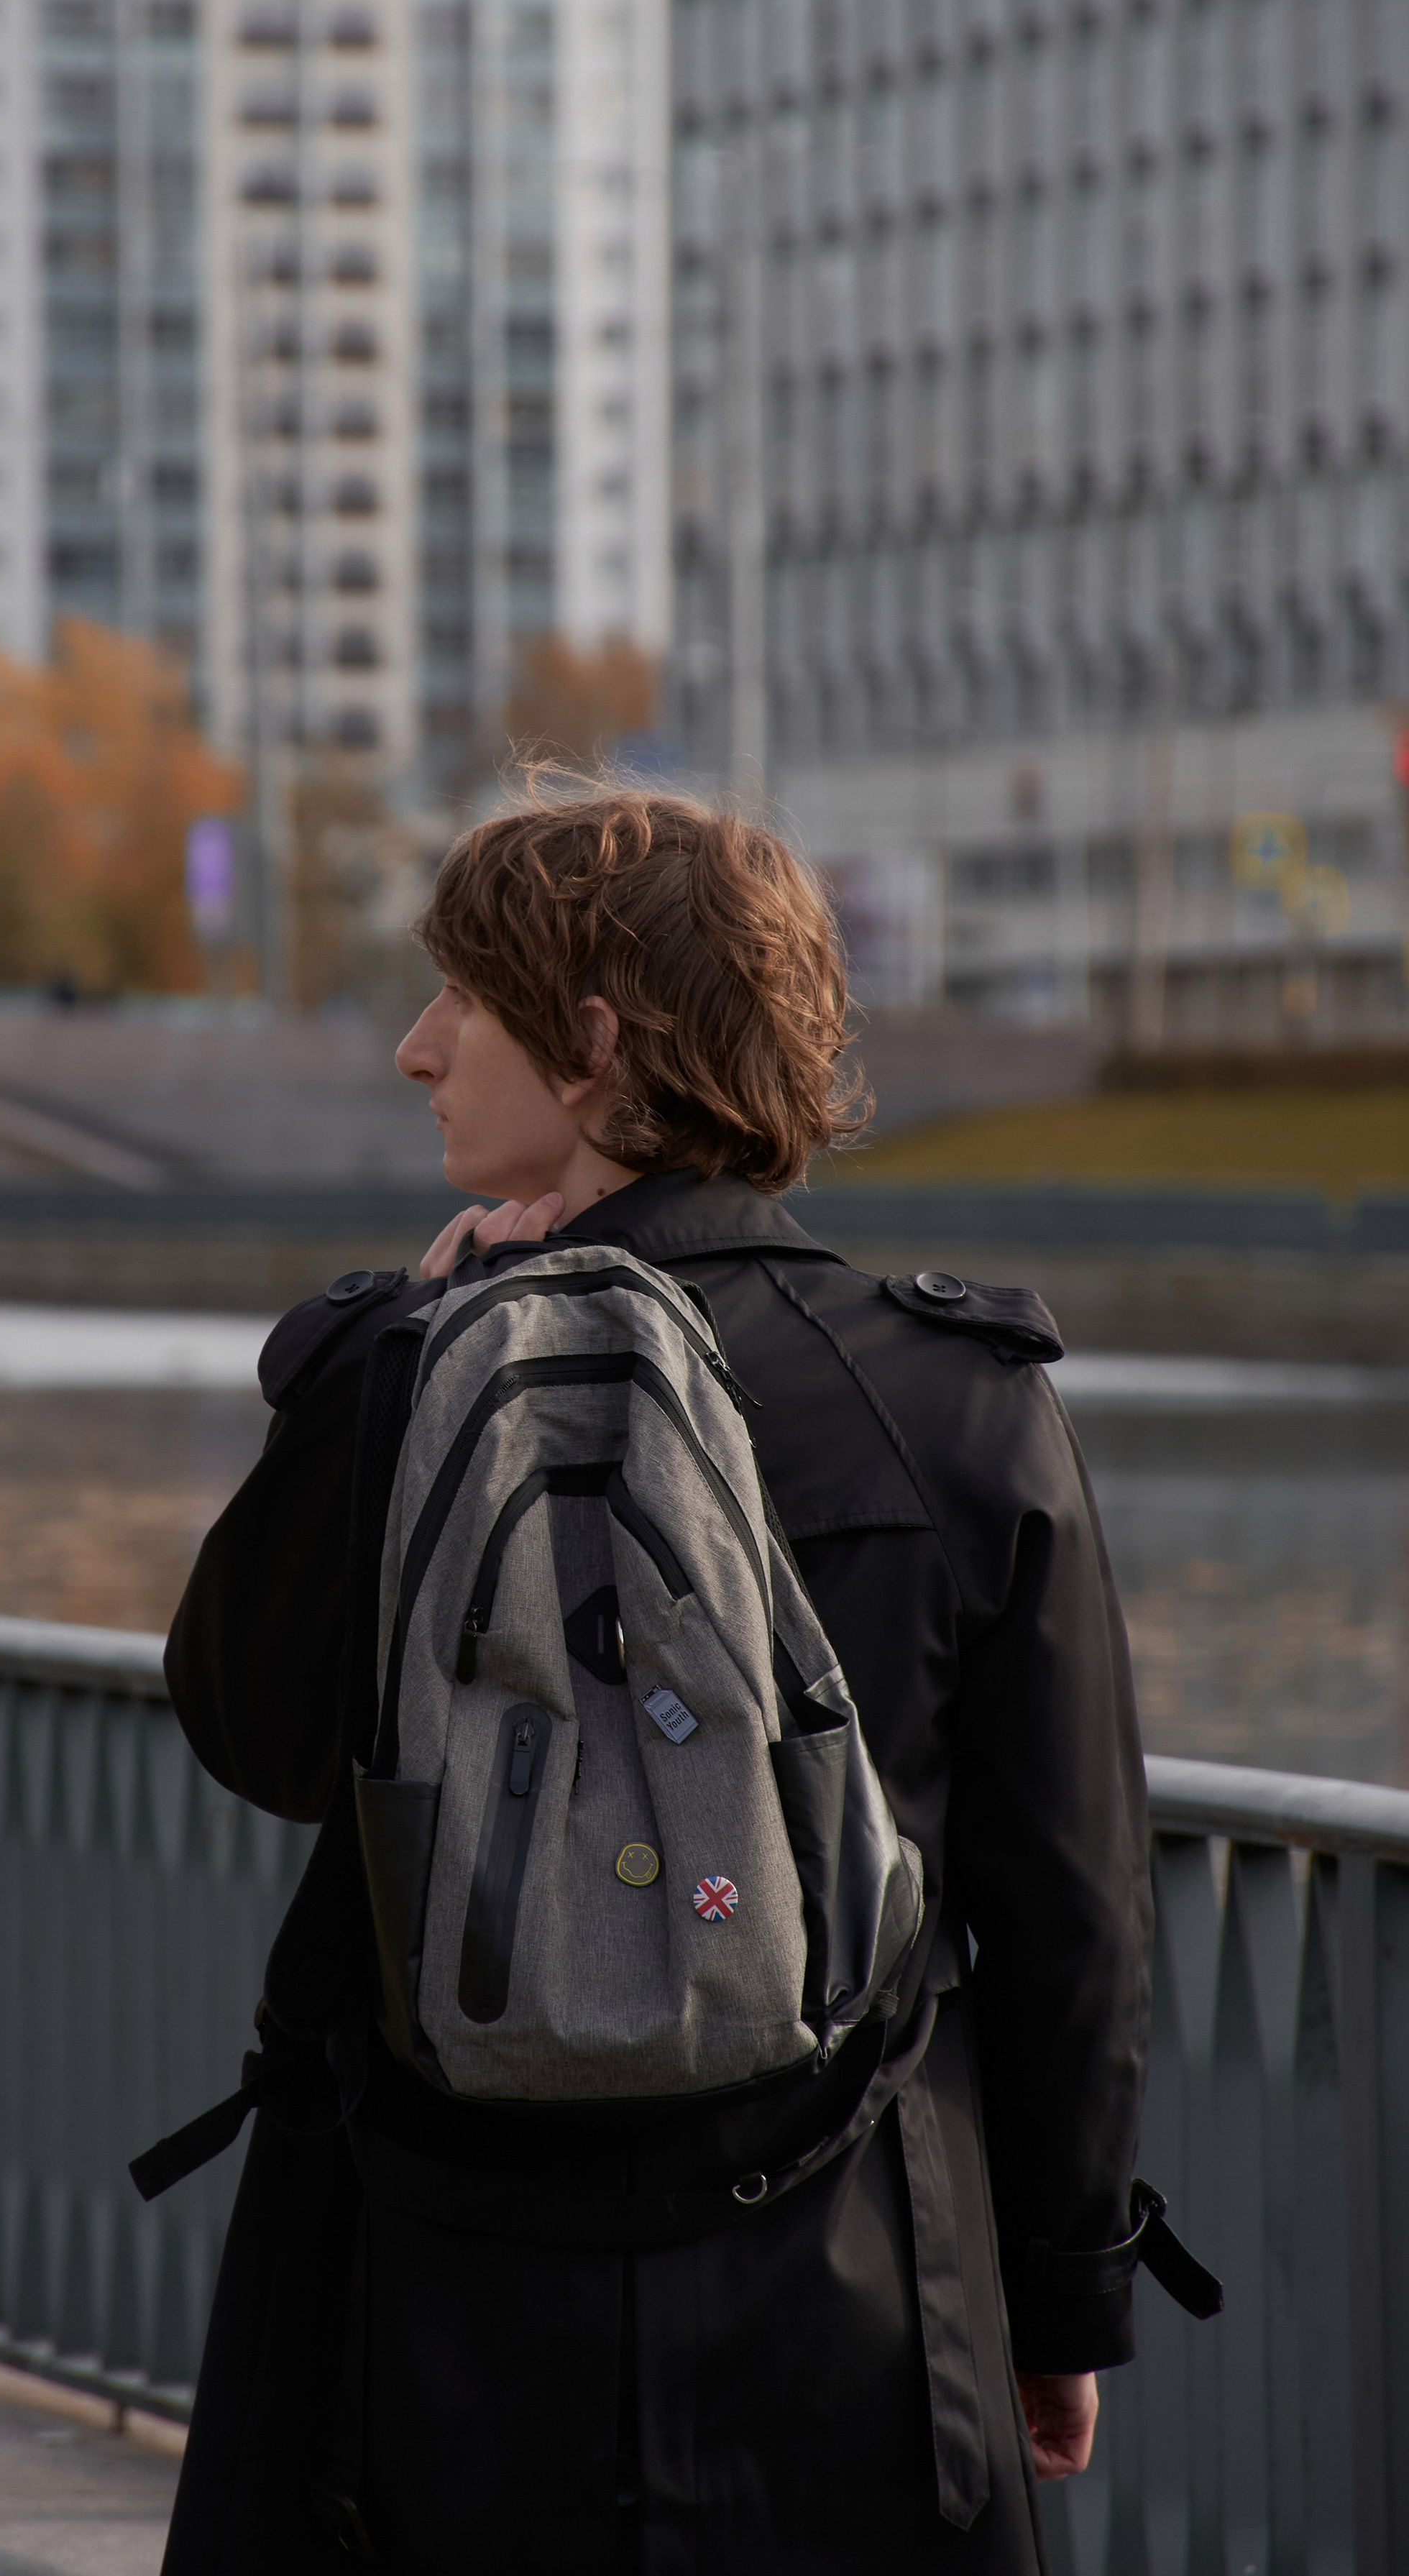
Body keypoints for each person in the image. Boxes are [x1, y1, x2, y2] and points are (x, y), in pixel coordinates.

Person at [162, 792, 1152, 2575]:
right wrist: (1062, 2285)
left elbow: (252, 1729)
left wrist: (395, 1353)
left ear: (593, 1041)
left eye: (459, 994)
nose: (414, 1048)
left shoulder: (415, 1372)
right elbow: (1065, 1899)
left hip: (427, 2348)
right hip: (856, 2306)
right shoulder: (957, 1400)